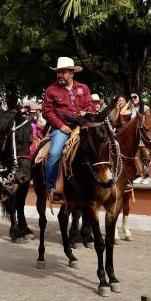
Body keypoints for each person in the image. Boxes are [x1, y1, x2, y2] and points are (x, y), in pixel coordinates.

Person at [41, 57, 94, 200]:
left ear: (72, 73)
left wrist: (87, 112)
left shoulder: (84, 88)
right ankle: (51, 187)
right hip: (62, 128)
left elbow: (91, 105)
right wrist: (61, 126)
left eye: (63, 72)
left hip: (83, 126)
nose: (60, 75)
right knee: (54, 154)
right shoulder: (51, 90)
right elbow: (47, 111)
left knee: (106, 144)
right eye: (58, 72)